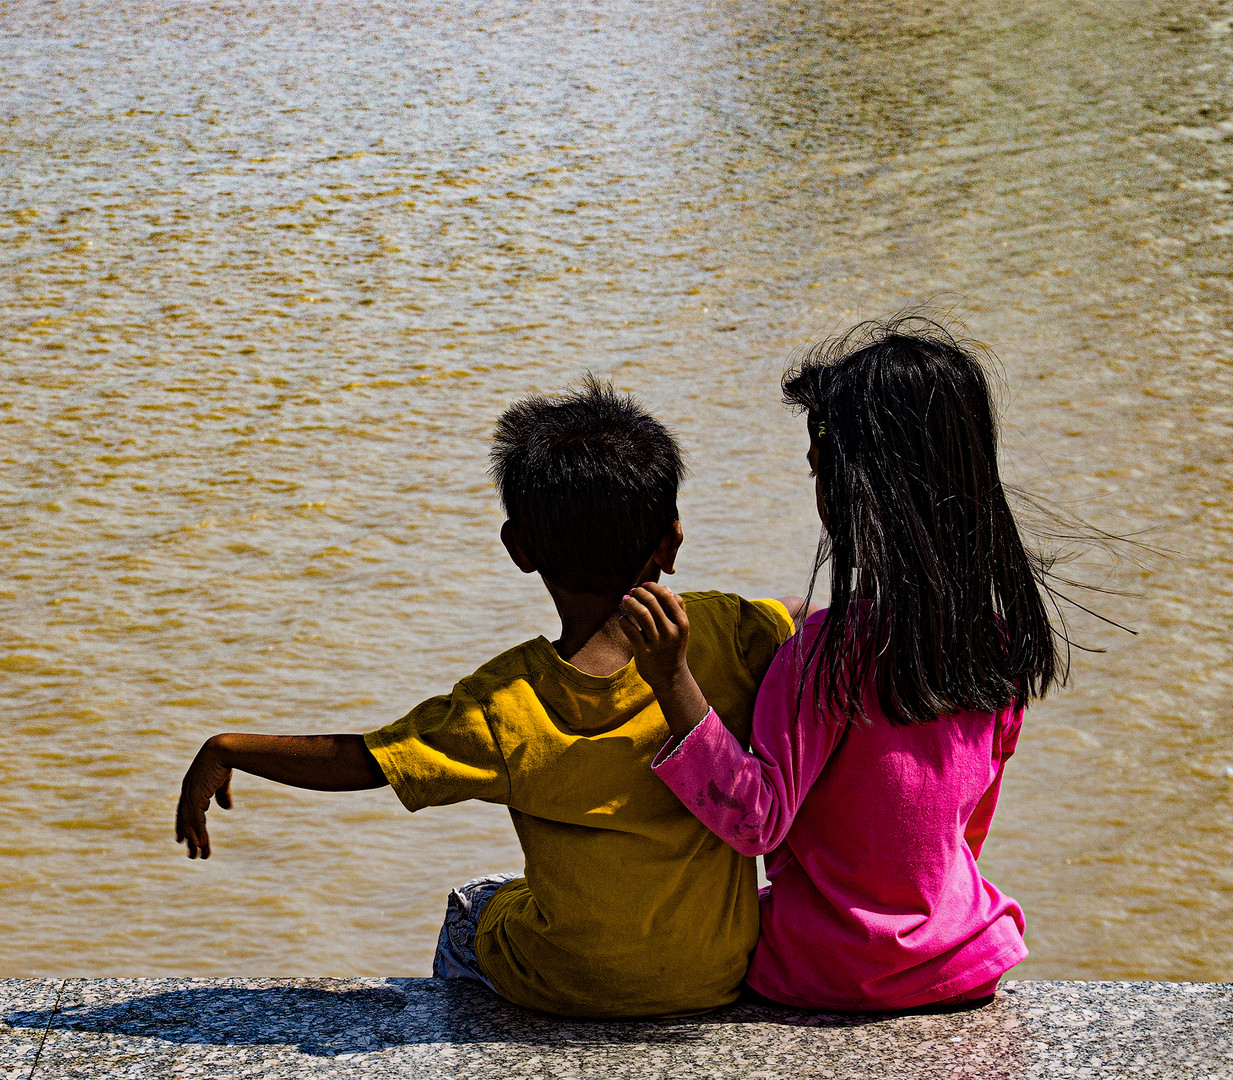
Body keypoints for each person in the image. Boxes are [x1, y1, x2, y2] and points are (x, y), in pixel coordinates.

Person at [174, 376, 804, 1019]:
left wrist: (232, 748)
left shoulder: (504, 701)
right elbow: (816, 620)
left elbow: (368, 761)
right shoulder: (729, 634)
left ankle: (467, 1044)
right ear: (671, 542)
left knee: (474, 906)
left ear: (519, 550)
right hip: (715, 974)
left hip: (567, 985)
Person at [627, 317, 1053, 1011]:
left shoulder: (826, 656)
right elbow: (967, 831)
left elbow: (755, 820)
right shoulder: (1000, 645)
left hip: (826, 971)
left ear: (847, 487)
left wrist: (673, 678)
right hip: (963, 957)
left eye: (817, 461)